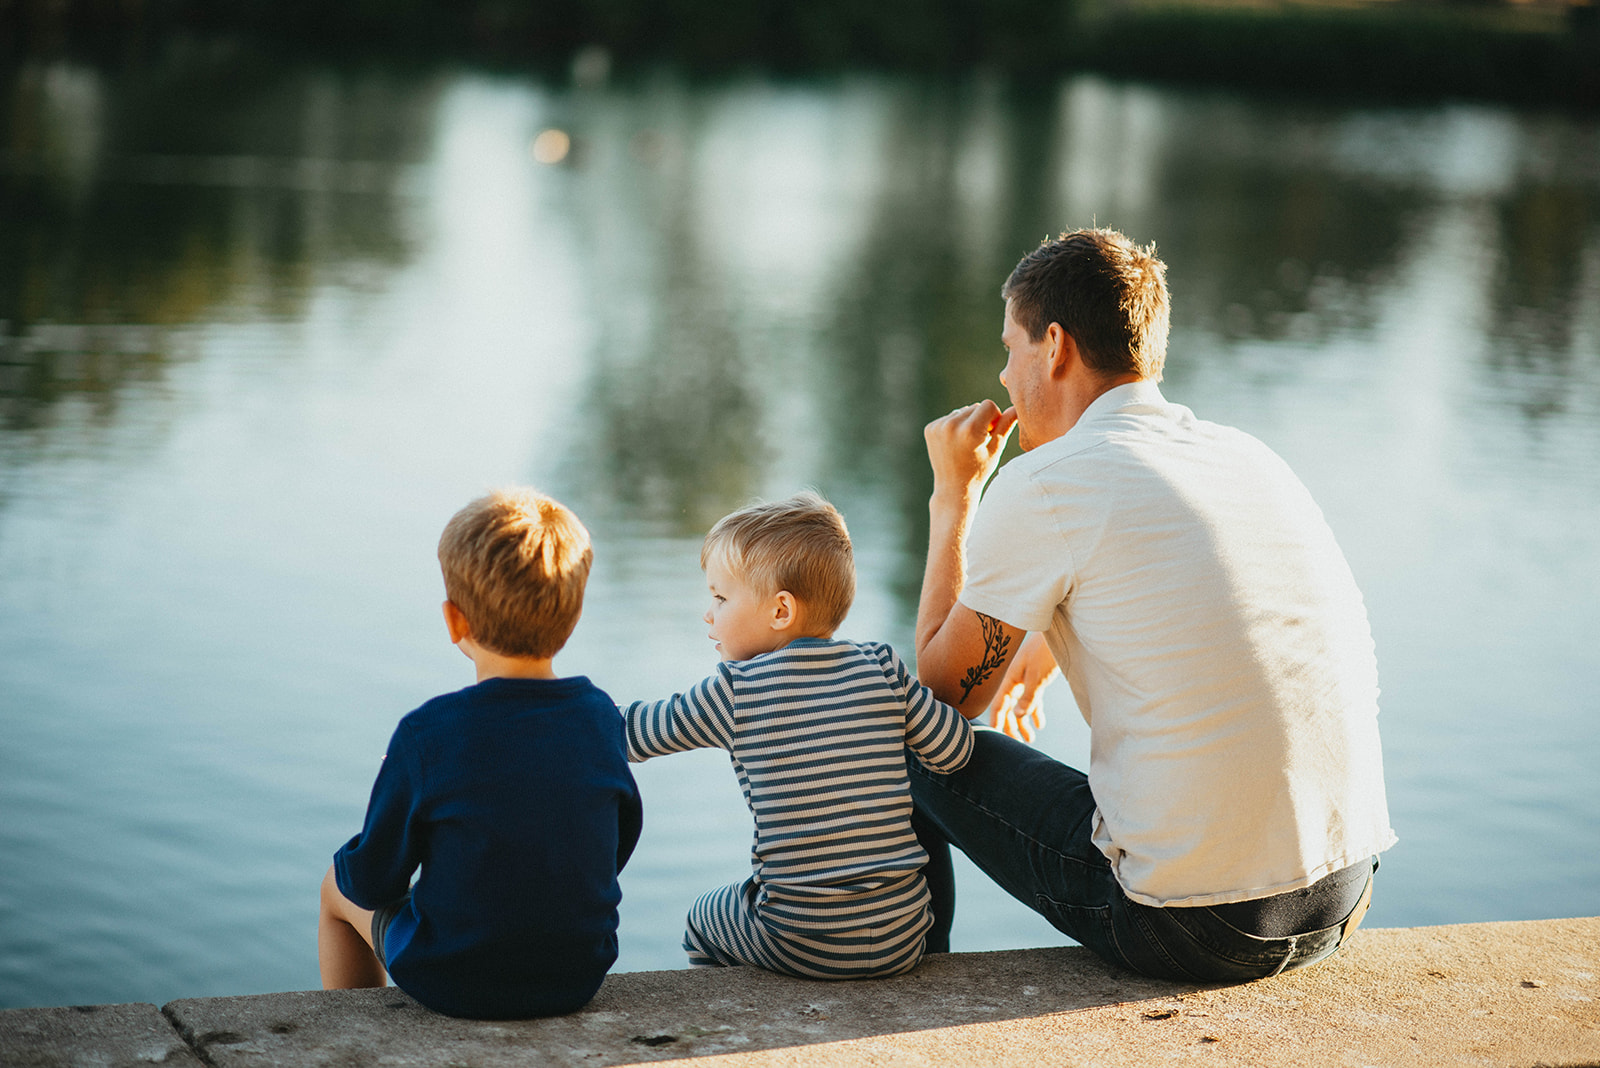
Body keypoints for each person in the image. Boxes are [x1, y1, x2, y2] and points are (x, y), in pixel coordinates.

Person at [911, 227, 1396, 981]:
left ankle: (900, 981)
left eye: (1010, 347)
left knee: (903, 739)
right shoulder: (1247, 456)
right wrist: (1040, 649)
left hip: (1198, 927)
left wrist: (954, 496)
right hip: (1343, 893)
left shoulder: (1047, 483)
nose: (1004, 376)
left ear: (1056, 347)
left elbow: (942, 698)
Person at [318, 488, 642, 1019]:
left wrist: (394, 792)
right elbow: (613, 847)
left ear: (454, 620)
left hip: (455, 979)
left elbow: (375, 881)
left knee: (336, 890)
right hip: (578, 973)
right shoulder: (600, 717)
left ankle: (362, 1034)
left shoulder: (428, 734)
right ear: (573, 615)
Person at [622, 492, 975, 979]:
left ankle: (736, 1011)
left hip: (802, 941)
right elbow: (954, 752)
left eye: (721, 597)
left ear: (781, 611)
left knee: (701, 919)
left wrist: (561, 709)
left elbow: (632, 735)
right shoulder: (879, 665)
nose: (709, 613)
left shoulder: (735, 690)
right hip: (903, 935)